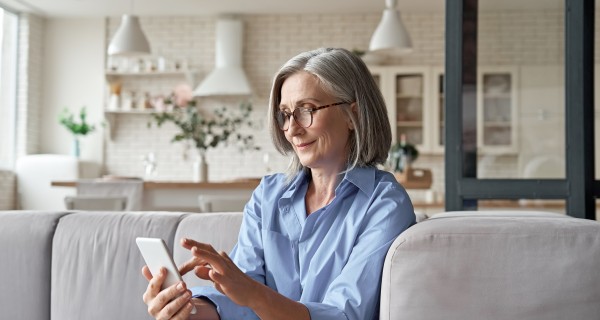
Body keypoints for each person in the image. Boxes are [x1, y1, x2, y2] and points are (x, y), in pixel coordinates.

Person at [141, 47, 415, 320]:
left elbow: (343, 314)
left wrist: (253, 293)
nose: (292, 129)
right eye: (285, 114)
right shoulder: (268, 195)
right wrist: (186, 310)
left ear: (351, 115)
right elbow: (238, 300)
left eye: (307, 110)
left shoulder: (385, 203)